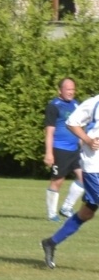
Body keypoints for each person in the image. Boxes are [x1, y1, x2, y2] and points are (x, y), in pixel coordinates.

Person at [41, 88, 99, 268]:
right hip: (94, 166)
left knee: (87, 212)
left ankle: (51, 242)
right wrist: (88, 141)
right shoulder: (94, 103)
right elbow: (72, 122)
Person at [44, 77, 84, 221]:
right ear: (60, 90)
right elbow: (49, 131)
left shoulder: (76, 105)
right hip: (59, 149)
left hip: (75, 150)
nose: (71, 92)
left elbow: (78, 129)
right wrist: (49, 153)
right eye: (68, 89)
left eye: (73, 89)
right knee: (58, 181)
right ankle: (51, 214)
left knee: (84, 177)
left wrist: (84, 146)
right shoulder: (54, 106)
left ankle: (66, 207)